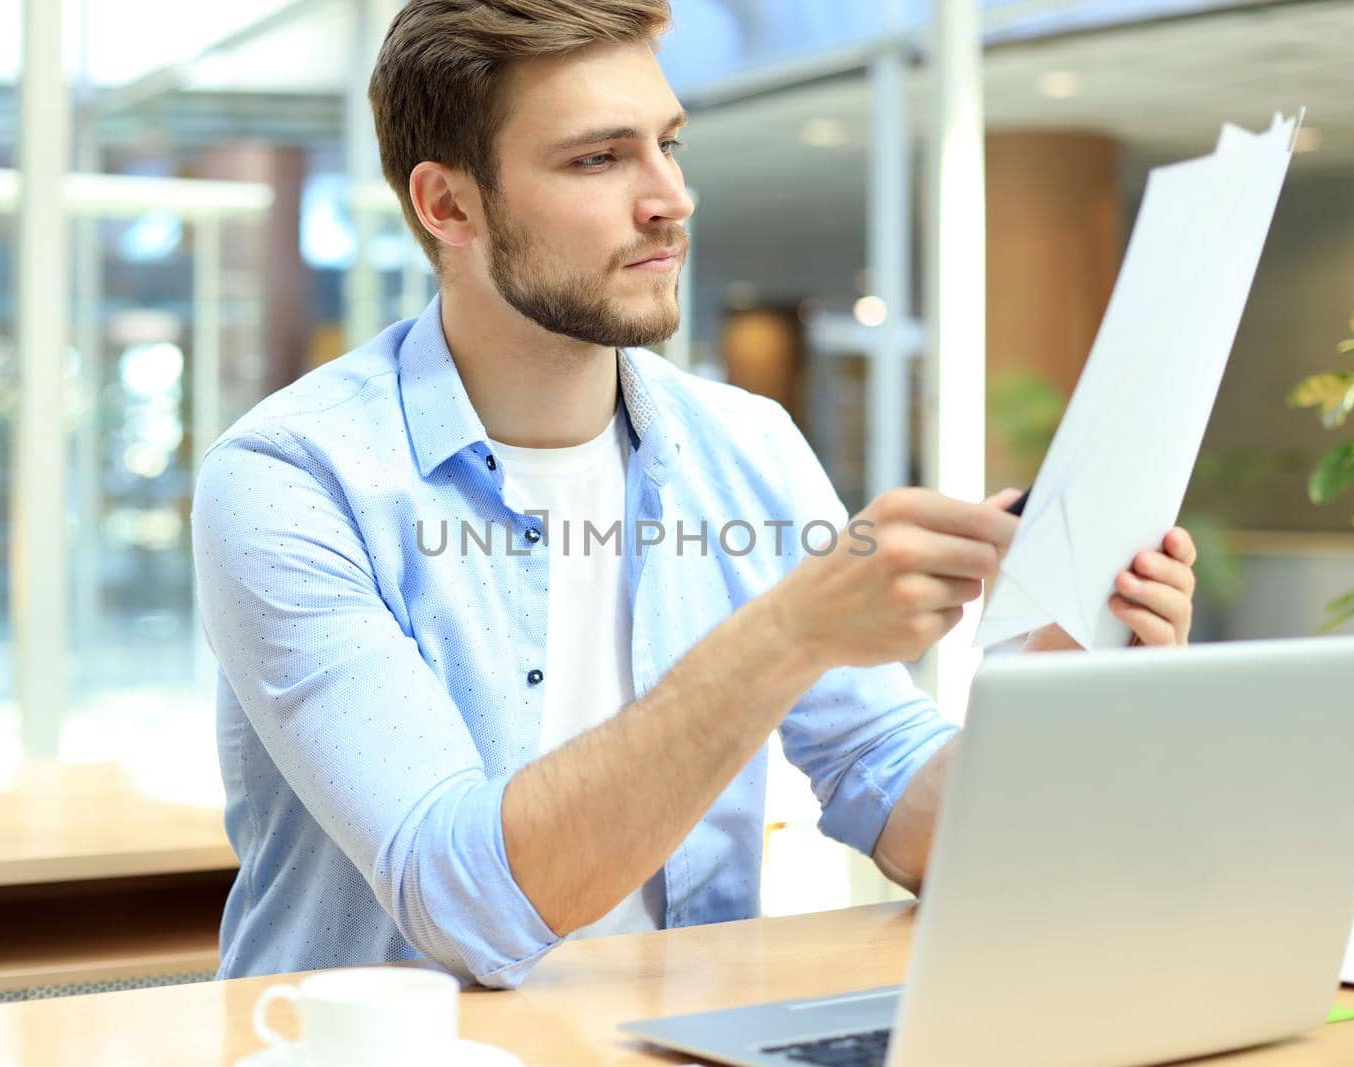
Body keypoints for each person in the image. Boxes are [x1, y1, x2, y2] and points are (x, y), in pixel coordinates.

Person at [192, 0, 1197, 990]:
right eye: (599, 158)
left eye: (668, 144)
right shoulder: (291, 478)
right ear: (449, 205)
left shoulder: (742, 444)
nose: (669, 196)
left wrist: (1067, 680)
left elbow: (897, 792)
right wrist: (787, 633)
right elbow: (460, 901)